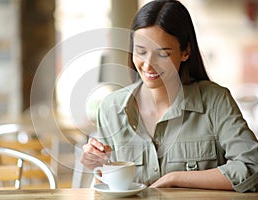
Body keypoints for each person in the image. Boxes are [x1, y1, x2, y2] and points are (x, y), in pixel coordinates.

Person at [80, 0, 258, 192]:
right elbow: (106, 188)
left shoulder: (215, 101)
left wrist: (175, 178)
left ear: (185, 52)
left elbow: (252, 167)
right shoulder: (111, 108)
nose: (148, 65)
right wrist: (98, 167)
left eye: (163, 54)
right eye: (140, 52)